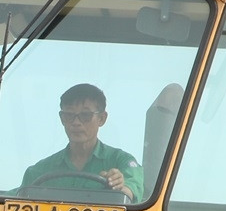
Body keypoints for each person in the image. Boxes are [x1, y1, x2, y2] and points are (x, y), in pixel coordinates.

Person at [17, 83, 145, 201]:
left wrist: (118, 186)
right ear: (62, 119)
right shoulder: (38, 173)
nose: (76, 122)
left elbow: (130, 191)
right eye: (69, 115)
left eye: (85, 115)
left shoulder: (121, 162)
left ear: (101, 118)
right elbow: (13, 201)